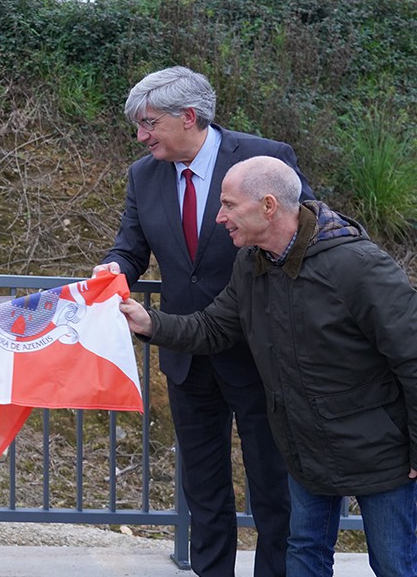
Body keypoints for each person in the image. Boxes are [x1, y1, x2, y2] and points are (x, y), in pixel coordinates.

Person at [119, 155, 417, 576]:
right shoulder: (252, 264)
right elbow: (213, 328)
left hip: (382, 455)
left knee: (393, 564)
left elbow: (412, 357)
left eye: (228, 205)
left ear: (269, 206)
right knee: (303, 555)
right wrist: (150, 323)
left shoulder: (359, 266)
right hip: (305, 450)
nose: (219, 217)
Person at [95, 66, 315, 576]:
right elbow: (131, 248)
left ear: (188, 117)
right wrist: (114, 268)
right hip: (186, 357)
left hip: (261, 356)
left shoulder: (267, 160)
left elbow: (301, 237)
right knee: (204, 491)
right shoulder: (142, 174)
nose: (141, 135)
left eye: (148, 123)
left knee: (272, 491)